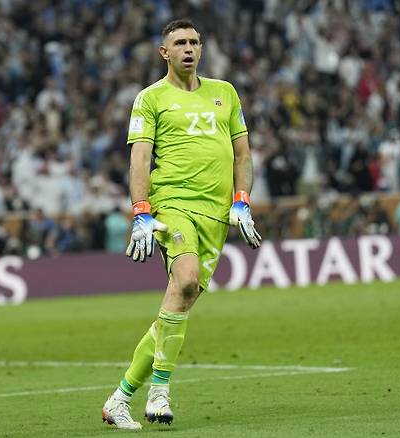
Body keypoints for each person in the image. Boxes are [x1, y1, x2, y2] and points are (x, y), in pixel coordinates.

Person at [101, 19, 261, 430]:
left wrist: (241, 202)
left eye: (194, 42)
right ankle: (160, 389)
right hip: (173, 204)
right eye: (179, 43)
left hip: (216, 216)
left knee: (179, 302)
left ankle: (120, 398)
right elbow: (139, 157)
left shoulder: (224, 93)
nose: (188, 48)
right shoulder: (150, 98)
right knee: (185, 280)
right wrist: (141, 211)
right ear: (164, 53)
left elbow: (242, 154)